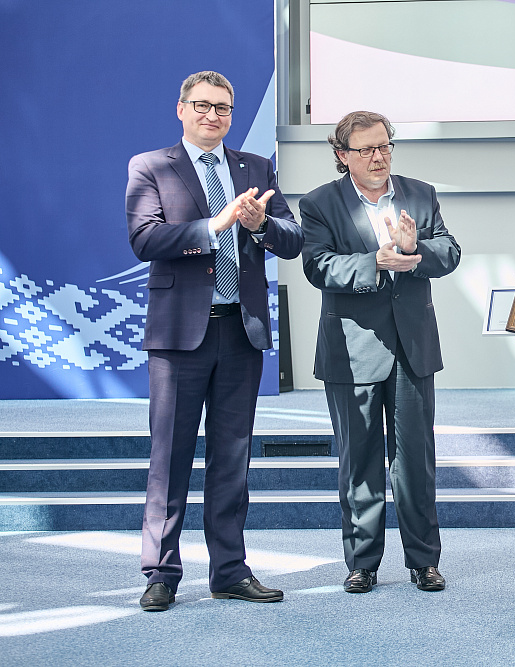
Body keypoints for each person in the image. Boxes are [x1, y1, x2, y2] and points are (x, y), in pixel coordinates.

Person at [126, 70, 304, 611]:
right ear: (181, 109)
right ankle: (161, 573)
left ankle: (229, 570)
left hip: (240, 332)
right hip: (180, 337)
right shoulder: (151, 166)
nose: (213, 115)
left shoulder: (257, 168)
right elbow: (144, 239)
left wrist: (259, 225)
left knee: (232, 459)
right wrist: (213, 225)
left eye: (222, 108)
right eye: (202, 105)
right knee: (170, 458)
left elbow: (292, 240)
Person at [299, 111, 461, 594]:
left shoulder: (420, 194)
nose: (378, 157)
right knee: (359, 462)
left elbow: (449, 251)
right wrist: (376, 261)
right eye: (366, 149)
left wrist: (415, 253)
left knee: (416, 462)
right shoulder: (319, 203)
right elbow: (317, 266)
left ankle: (424, 561)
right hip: (351, 350)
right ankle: (362, 562)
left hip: (413, 349)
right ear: (342, 155)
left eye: (384, 146)